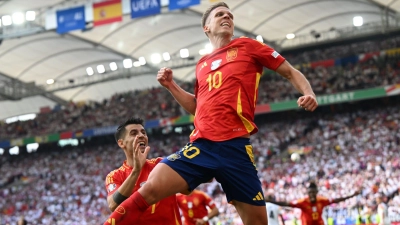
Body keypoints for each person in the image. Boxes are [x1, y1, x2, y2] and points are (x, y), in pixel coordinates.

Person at [104, 2, 318, 225]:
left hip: (236, 148)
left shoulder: (249, 46)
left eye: (230, 15)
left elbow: (290, 72)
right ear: (206, 28)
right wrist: (171, 86)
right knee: (151, 186)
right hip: (202, 146)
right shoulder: (202, 64)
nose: (227, 17)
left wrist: (308, 92)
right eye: (220, 15)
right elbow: (199, 108)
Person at [104, 117, 182, 225]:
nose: (141, 135)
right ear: (121, 143)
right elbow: (113, 205)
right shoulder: (114, 176)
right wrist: (136, 171)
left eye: (143, 132)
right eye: (134, 133)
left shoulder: (161, 164)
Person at [266, 182, 362, 225]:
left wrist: (352, 195)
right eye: (310, 193)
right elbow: (286, 204)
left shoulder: (322, 200)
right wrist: (270, 201)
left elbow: (336, 200)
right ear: (308, 193)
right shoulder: (303, 202)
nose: (311, 195)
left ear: (316, 192)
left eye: (313, 192)